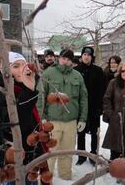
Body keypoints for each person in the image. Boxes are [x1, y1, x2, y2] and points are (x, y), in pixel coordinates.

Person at [0, 52, 48, 185]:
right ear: (2, 69)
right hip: (13, 160)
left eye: (24, 65)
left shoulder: (24, 87)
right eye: (16, 66)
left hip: (30, 153)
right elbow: (11, 122)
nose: (23, 69)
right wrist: (29, 91)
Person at [42, 49, 88, 180]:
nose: (65, 61)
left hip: (71, 122)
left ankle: (65, 177)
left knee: (67, 152)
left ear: (72, 61)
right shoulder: (49, 73)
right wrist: (42, 117)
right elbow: (41, 96)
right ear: (59, 58)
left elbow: (83, 98)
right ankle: (46, 180)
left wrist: (82, 119)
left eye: (68, 59)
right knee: (50, 153)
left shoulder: (77, 76)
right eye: (63, 58)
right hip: (53, 121)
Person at [102, 62, 125, 185]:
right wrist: (111, 113)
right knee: (117, 149)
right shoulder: (113, 83)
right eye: (122, 71)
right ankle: (118, 173)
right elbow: (107, 98)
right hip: (116, 121)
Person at [74, 46, 105, 165]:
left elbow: (102, 90)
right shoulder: (76, 70)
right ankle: (81, 155)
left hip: (94, 107)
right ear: (81, 56)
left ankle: (93, 155)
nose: (86, 57)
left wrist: (99, 108)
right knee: (80, 132)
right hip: (80, 107)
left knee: (94, 133)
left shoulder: (98, 70)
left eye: (89, 55)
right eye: (84, 55)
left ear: (92, 57)